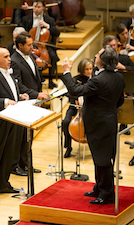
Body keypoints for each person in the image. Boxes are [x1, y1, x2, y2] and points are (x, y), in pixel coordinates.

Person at [61, 45, 125, 204]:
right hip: (108, 122)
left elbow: (75, 90)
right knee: (100, 158)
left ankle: (107, 194)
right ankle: (100, 187)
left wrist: (67, 72)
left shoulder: (99, 80)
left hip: (99, 124)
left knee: (102, 160)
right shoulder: (118, 77)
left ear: (102, 61)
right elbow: (120, 101)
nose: (95, 55)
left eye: (98, 54)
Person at [0, 47, 37, 200]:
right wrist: (5, 102)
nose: (9, 59)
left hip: (12, 120)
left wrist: (19, 96)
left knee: (8, 154)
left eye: (8, 56)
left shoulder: (9, 73)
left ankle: (3, 184)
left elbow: (8, 93)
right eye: (6, 57)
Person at [10, 31, 49, 176]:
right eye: (29, 45)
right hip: (24, 102)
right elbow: (18, 84)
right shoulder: (14, 60)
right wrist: (36, 94)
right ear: (20, 45)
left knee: (29, 135)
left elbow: (35, 79)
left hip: (33, 101)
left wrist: (38, 97)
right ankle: (16, 166)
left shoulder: (30, 56)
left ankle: (26, 164)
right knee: (20, 137)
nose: (32, 47)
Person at [19, 0, 60, 89]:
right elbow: (20, 30)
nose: (36, 9)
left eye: (38, 7)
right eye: (34, 7)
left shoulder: (49, 20)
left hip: (45, 45)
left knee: (52, 56)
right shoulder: (26, 19)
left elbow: (57, 33)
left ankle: (50, 80)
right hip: (30, 45)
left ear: (43, 8)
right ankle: (36, 79)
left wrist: (48, 26)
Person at [62, 58, 93, 158]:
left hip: (89, 109)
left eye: (90, 68)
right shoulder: (75, 79)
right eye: (86, 69)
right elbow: (70, 92)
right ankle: (68, 147)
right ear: (82, 69)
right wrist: (77, 98)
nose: (89, 71)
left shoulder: (94, 80)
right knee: (66, 122)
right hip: (75, 108)